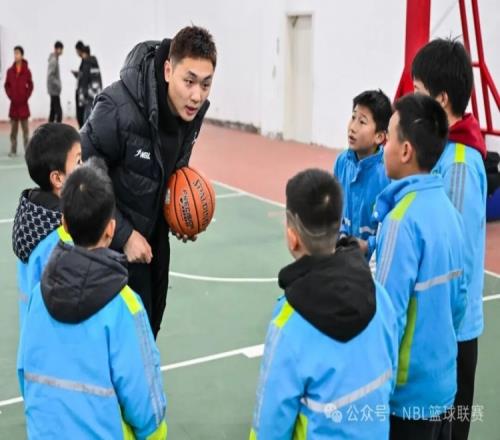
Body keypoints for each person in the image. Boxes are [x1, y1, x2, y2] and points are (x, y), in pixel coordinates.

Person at [81, 26, 217, 337]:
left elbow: (167, 174)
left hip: (152, 246)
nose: (197, 95)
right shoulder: (117, 106)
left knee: (146, 334)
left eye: (206, 84)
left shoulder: (189, 115)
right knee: (117, 344)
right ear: (168, 70)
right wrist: (124, 235)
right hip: (106, 250)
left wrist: (177, 215)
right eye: (189, 81)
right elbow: (82, 178)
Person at [17, 159, 168, 439]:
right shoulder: (125, 306)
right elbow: (146, 405)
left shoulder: (39, 295)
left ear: (64, 222)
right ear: (111, 230)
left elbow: (24, 370)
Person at [249, 169, 398, 439]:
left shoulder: (288, 325)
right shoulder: (379, 296)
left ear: (292, 236)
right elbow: (391, 374)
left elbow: (271, 426)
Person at [375, 94, 467, 440]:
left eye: (388, 136)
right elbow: (459, 302)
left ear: (405, 151)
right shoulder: (450, 212)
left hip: (406, 398)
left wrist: (378, 390)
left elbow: (389, 318)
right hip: (443, 389)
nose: (382, 145)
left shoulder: (400, 222)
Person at [412, 38, 487, 440]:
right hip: (442, 326)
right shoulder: (444, 152)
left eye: (418, 92)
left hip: (452, 332)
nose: (412, 101)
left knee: (450, 428)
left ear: (441, 100)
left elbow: (454, 257)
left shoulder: (458, 163)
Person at [12, 123, 81, 328]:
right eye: (78, 161)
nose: (85, 167)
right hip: (57, 339)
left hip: (33, 335)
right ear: (58, 178)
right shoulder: (61, 238)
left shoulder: (33, 218)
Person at [333, 90, 392, 258]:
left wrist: (368, 245)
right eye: (353, 117)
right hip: (344, 259)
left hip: (373, 265)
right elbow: (334, 208)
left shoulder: (388, 173)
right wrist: (341, 234)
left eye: (362, 122)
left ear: (379, 137)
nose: (352, 127)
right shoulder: (342, 162)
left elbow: (391, 231)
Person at [4, 46, 33, 157]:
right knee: (13, 131)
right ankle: (13, 150)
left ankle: (27, 150)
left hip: (23, 105)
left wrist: (26, 96)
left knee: (26, 131)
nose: (15, 55)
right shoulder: (10, 71)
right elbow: (6, 85)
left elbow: (31, 85)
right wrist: (10, 95)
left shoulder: (27, 71)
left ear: (22, 55)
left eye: (17, 53)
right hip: (14, 105)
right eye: (14, 53)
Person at [78, 45, 102, 124]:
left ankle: (86, 130)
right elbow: (98, 77)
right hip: (96, 90)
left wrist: (83, 92)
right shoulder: (94, 61)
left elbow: (85, 78)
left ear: (85, 53)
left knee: (87, 113)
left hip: (89, 91)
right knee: (93, 111)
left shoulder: (86, 62)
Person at [47, 41, 64, 122]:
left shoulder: (55, 59)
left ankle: (49, 127)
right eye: (61, 49)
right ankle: (58, 128)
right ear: (57, 49)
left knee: (53, 111)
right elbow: (50, 76)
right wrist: (58, 85)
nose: (62, 51)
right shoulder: (53, 60)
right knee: (59, 112)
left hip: (53, 90)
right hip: (54, 90)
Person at [72, 41, 85, 127]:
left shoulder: (86, 61)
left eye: (77, 51)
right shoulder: (83, 61)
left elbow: (84, 76)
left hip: (81, 91)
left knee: (80, 114)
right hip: (80, 90)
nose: (77, 53)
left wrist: (78, 74)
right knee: (80, 114)